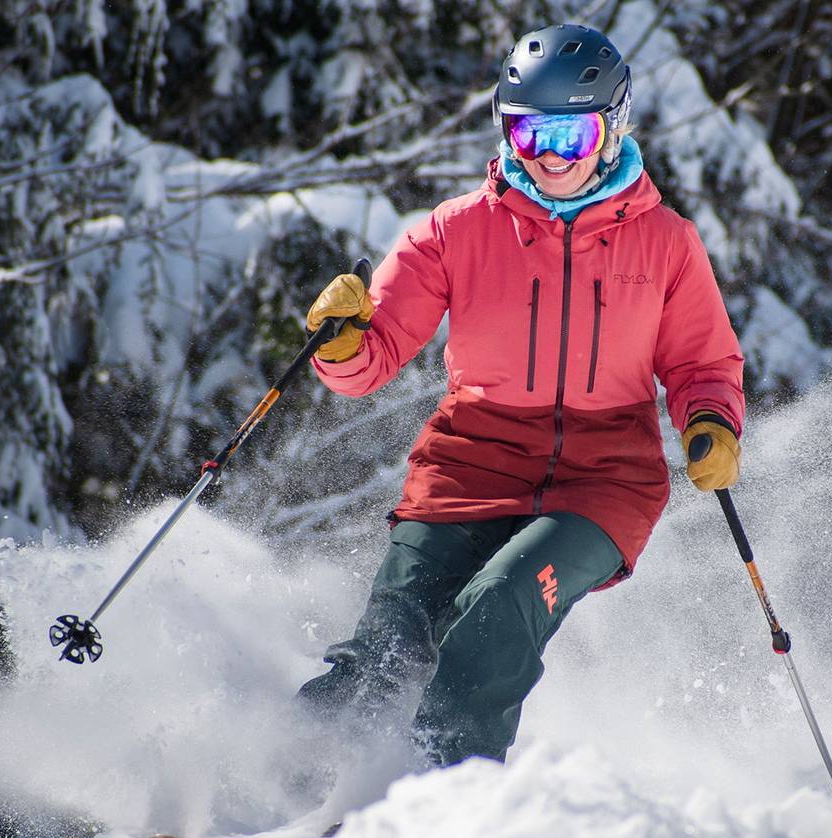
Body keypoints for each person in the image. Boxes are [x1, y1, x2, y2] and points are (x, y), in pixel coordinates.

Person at [295, 23, 745, 768]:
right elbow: (369, 362)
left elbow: (703, 364)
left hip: (603, 483)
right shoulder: (455, 231)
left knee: (498, 605)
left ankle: (443, 788)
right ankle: (284, 779)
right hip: (468, 466)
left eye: (569, 137)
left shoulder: (665, 242)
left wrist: (710, 425)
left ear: (611, 130)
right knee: (388, 642)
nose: (546, 158)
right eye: (528, 133)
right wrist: (338, 342)